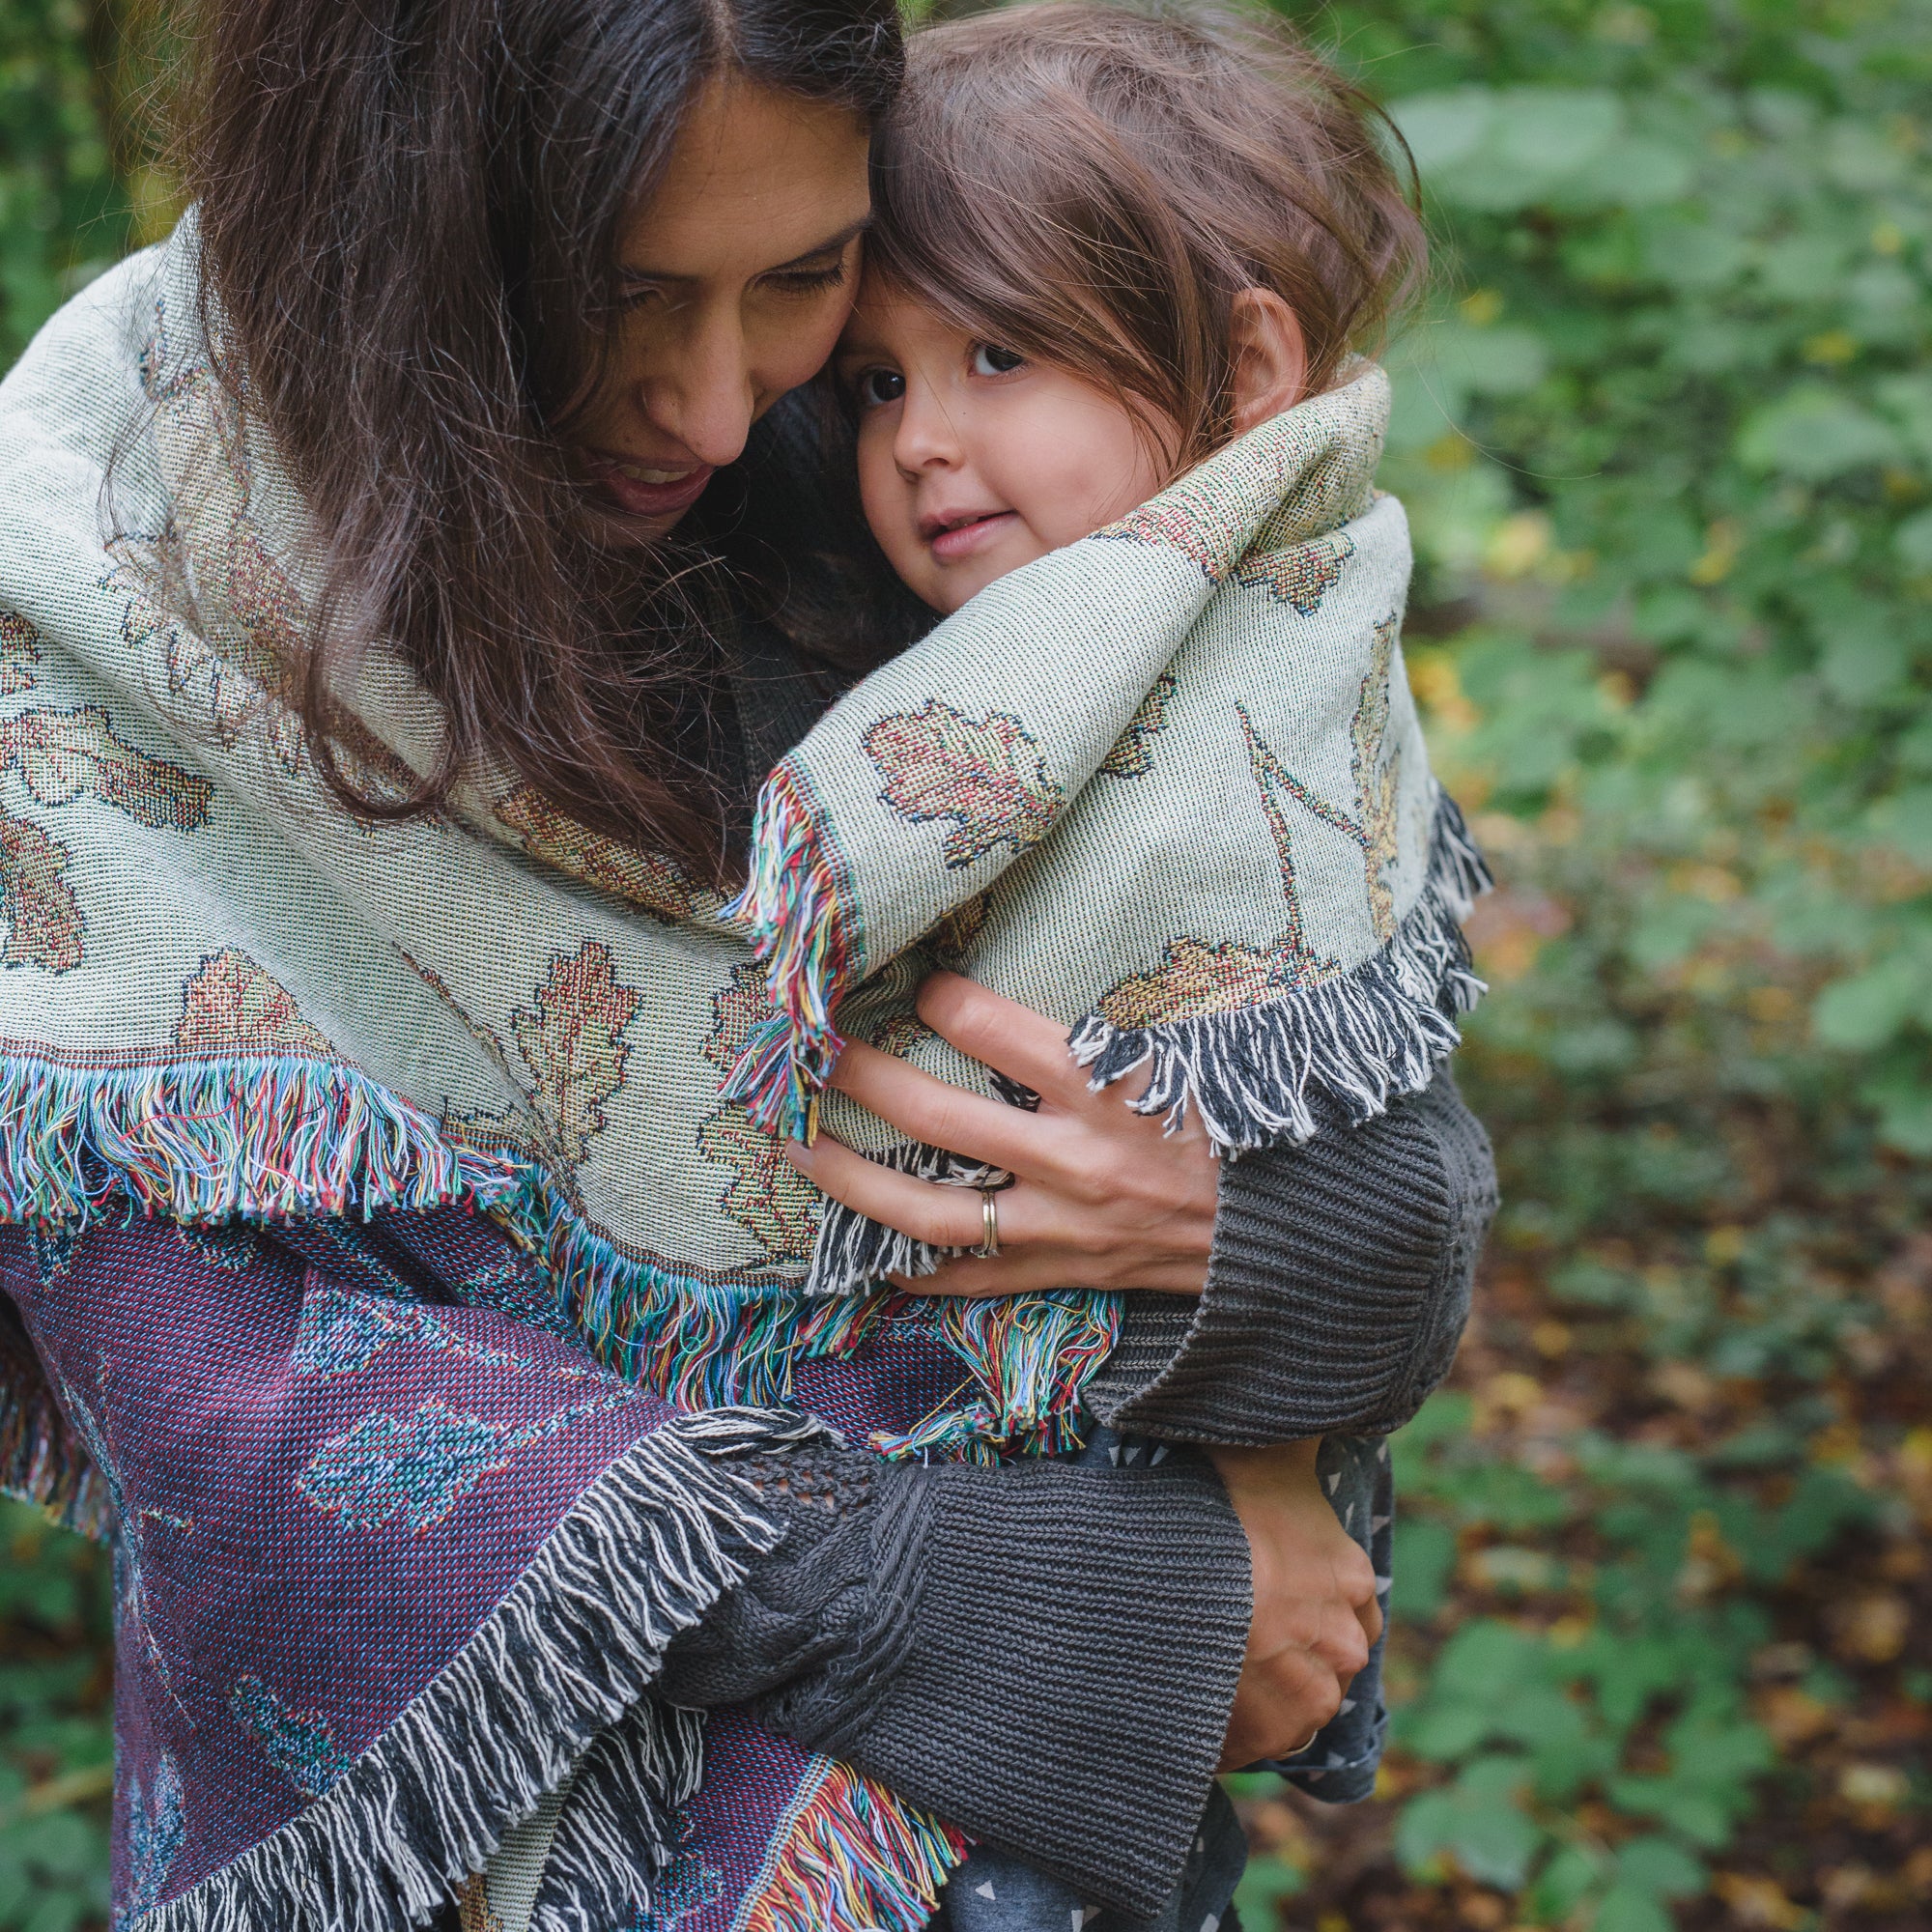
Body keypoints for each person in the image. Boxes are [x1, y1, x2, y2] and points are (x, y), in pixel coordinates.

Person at [0, 5, 1494, 1932]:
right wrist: (1043, 1598)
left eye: (799, 282)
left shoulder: (902, 441)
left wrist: (1255, 1249)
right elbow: (238, 1412)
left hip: (1001, 1850)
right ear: (390, 238)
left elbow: (1327, 1040)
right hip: (463, 1839)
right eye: (616, 299)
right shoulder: (91, 586)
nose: (717, 409)